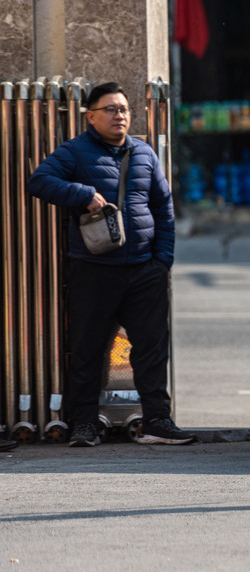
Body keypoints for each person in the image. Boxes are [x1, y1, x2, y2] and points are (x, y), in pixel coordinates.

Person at [26, 82, 189, 448]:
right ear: (91, 116)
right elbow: (39, 181)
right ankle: (83, 424)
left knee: (150, 347)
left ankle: (157, 421)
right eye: (111, 109)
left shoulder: (145, 153)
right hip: (94, 269)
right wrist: (83, 194)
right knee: (87, 348)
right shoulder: (75, 152)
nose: (120, 116)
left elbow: (163, 208)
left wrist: (162, 260)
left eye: (124, 109)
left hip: (145, 270)